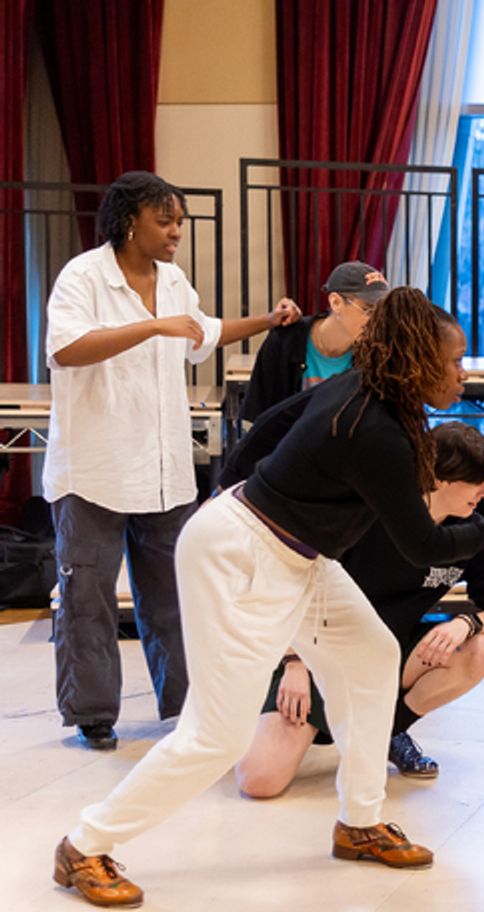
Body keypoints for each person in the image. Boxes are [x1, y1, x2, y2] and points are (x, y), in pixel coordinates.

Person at [52, 288, 484, 909]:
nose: (464, 372)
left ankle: (359, 822)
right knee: (216, 737)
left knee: (373, 657)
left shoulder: (376, 394)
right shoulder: (373, 426)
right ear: (416, 357)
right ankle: (84, 844)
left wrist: (230, 490)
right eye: (455, 360)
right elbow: (422, 543)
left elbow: (271, 425)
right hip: (242, 558)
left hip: (297, 554)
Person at [45, 170, 301, 752]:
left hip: (163, 472)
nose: (175, 233)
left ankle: (188, 708)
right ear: (129, 221)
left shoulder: (175, 279)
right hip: (92, 470)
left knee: (175, 596)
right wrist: (152, 324)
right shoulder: (83, 276)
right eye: (165, 221)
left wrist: (267, 320)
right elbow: (65, 349)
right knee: (87, 598)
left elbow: (201, 332)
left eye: (179, 222)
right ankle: (92, 714)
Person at [230, 420, 484, 793]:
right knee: (259, 782)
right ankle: (264, 714)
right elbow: (292, 586)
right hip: (315, 655)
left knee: (476, 650)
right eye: (477, 482)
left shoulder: (474, 530)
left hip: (386, 656)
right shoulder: (367, 514)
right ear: (439, 479)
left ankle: (384, 732)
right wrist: (294, 663)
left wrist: (465, 624)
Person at [239, 260, 389, 423]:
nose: (377, 321)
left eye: (382, 312)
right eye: (369, 311)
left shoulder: (378, 354)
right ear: (336, 303)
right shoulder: (284, 342)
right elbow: (257, 418)